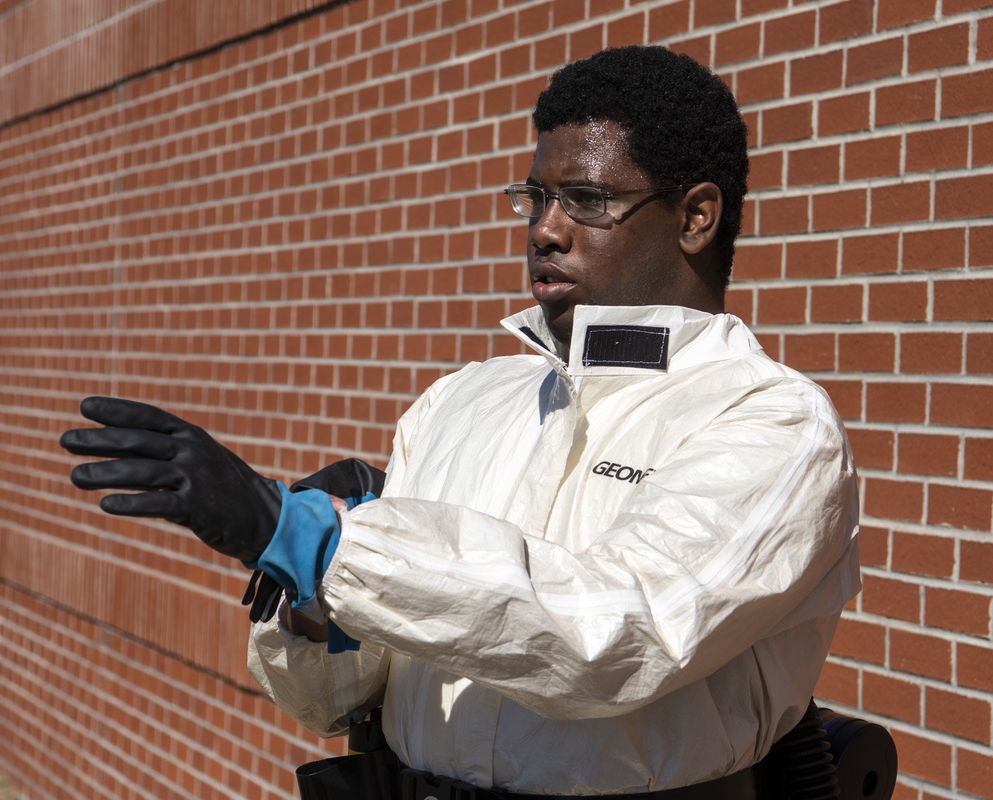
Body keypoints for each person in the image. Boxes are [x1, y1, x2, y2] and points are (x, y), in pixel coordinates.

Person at [61, 45, 860, 799]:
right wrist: (313, 591)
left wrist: (318, 538)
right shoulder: (462, 402)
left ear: (695, 217)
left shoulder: (772, 423)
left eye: (587, 199)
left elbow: (616, 635)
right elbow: (333, 699)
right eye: (537, 196)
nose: (544, 228)